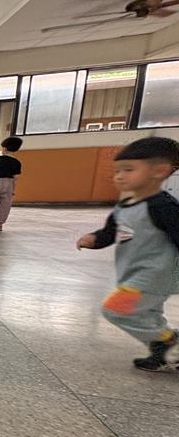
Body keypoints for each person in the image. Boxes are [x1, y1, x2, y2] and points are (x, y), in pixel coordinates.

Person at [77, 137, 179, 372]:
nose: (120, 176)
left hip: (155, 274)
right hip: (134, 271)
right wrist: (94, 239)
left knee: (116, 309)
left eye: (129, 170)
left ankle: (168, 343)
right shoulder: (125, 205)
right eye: (117, 171)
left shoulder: (163, 206)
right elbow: (111, 232)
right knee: (149, 313)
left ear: (159, 171)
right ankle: (162, 350)